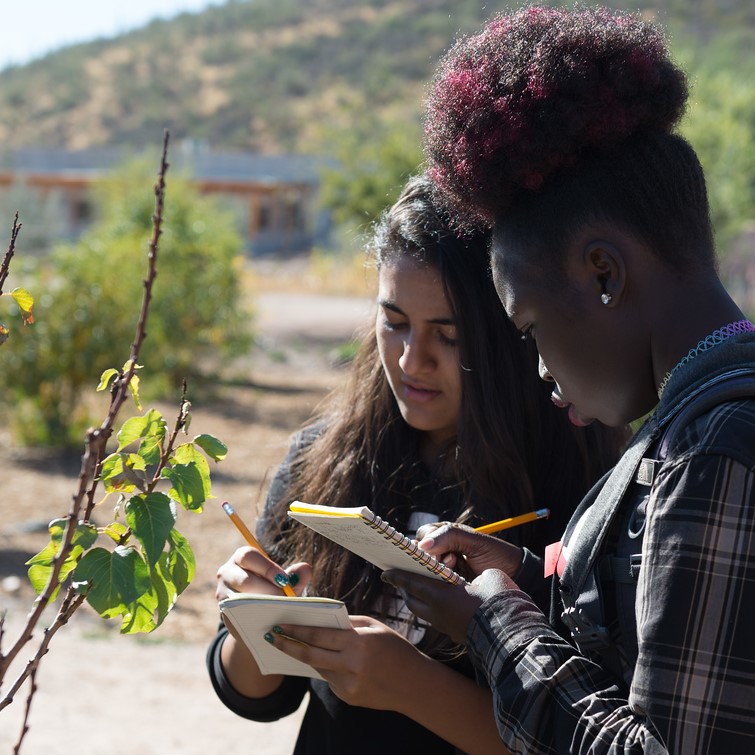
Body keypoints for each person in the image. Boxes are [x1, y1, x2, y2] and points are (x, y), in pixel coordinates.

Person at [377, 6, 755, 754]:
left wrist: (494, 624)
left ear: (603, 273)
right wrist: (518, 575)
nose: (541, 370)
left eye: (530, 329)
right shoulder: (694, 423)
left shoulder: (719, 447)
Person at [206, 173, 626, 754]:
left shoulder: (582, 487)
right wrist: (254, 620)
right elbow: (257, 694)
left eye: (448, 336)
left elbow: (588, 738)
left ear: (510, 333)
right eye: (395, 322)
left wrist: (412, 686)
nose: (411, 359)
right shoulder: (325, 459)